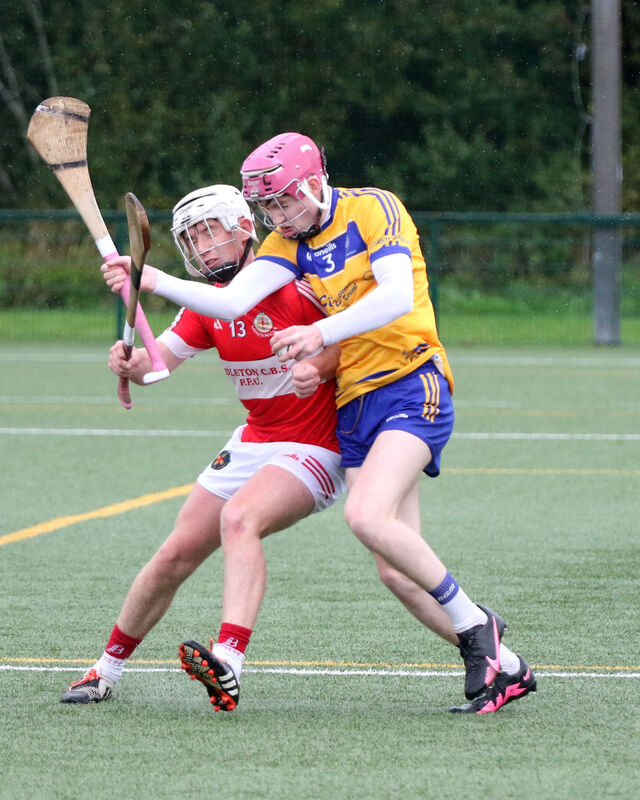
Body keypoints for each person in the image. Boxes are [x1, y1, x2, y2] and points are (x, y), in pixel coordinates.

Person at [122, 136, 537, 715]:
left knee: (365, 515)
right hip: (356, 403)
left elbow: (394, 296)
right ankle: (508, 668)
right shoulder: (285, 242)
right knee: (396, 570)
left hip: (410, 380)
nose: (280, 216)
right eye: (268, 208)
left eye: (287, 201)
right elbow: (234, 302)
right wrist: (155, 282)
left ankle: (477, 625)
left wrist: (322, 334)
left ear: (315, 181)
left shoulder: (375, 208)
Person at [60, 185, 348, 711]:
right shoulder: (205, 307)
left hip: (317, 445)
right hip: (255, 439)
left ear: (244, 228)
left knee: (240, 519)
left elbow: (351, 344)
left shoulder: (294, 280)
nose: (202, 246)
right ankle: (105, 670)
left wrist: (319, 365)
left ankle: (229, 661)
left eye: (210, 231)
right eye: (191, 237)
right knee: (175, 554)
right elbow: (159, 364)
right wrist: (132, 365)